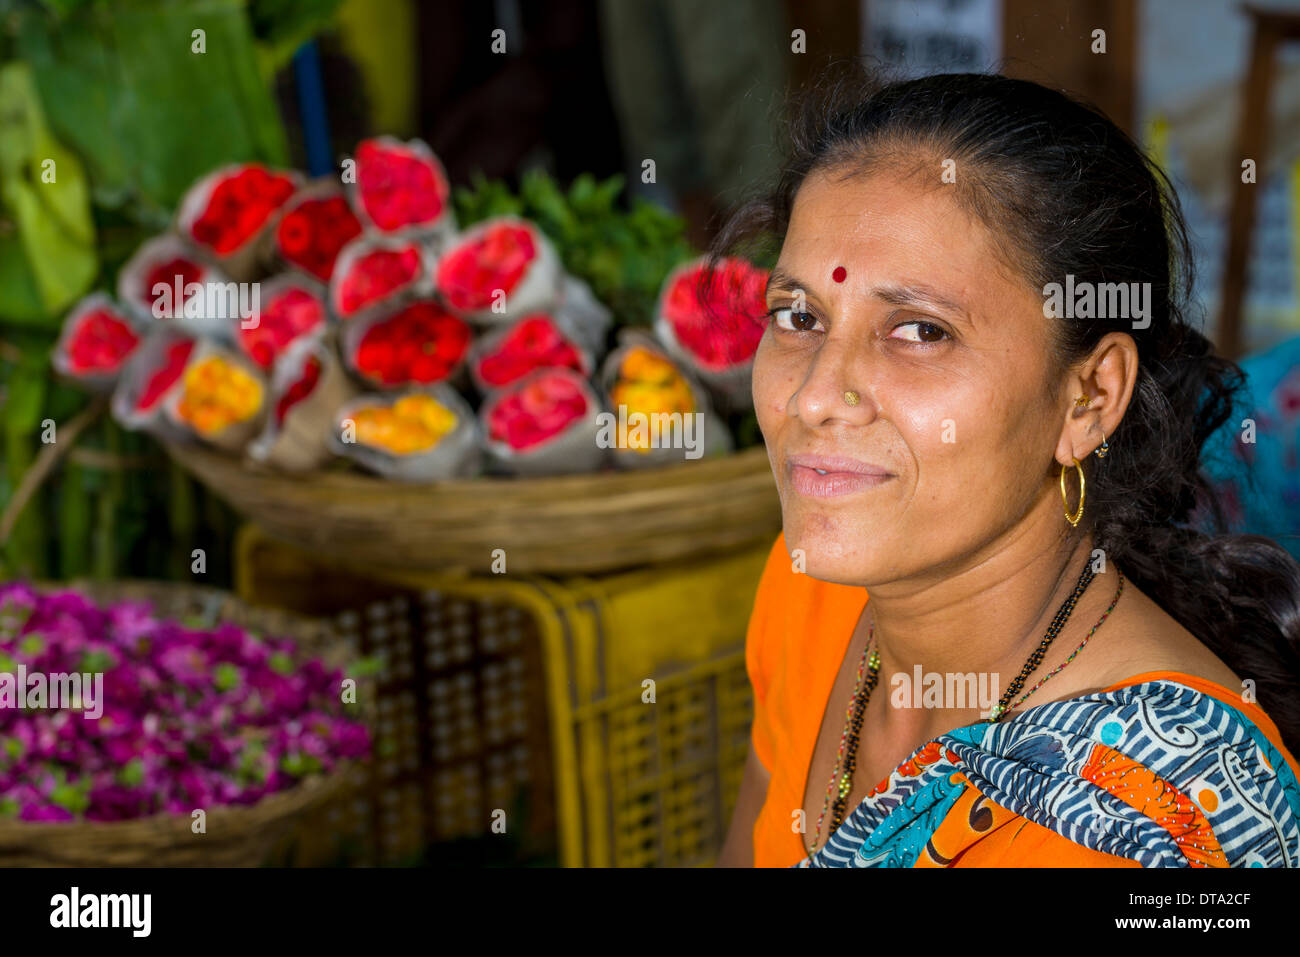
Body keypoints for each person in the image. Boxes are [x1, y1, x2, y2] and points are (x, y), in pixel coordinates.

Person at [712, 63, 1300, 868]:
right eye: (800, 315)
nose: (814, 396)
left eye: (920, 331)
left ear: (1089, 397)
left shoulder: (1163, 826)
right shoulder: (808, 591)